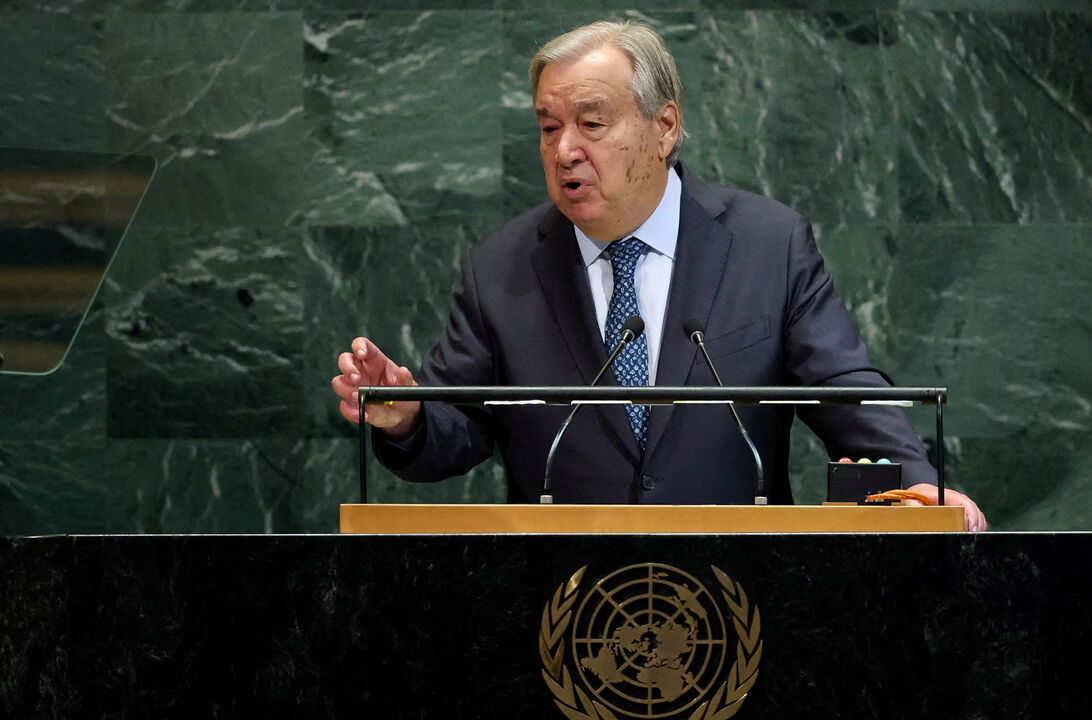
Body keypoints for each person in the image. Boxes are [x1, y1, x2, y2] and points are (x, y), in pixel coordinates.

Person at [332, 20, 987, 531]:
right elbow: (461, 425)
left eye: (591, 123)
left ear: (664, 127)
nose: (565, 150)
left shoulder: (767, 245)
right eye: (549, 127)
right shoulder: (501, 268)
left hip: (743, 594)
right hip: (561, 609)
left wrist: (916, 480)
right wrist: (408, 416)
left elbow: (845, 391)